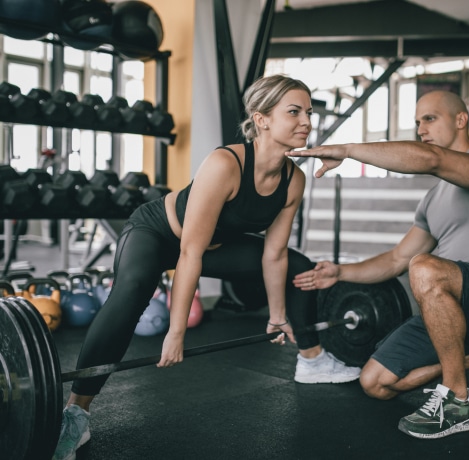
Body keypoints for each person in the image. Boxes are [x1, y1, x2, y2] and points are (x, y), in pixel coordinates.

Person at [52, 75, 361, 460]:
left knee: (299, 266)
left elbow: (275, 254)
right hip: (157, 232)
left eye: (309, 112)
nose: (306, 122)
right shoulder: (225, 163)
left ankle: (312, 360)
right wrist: (176, 331)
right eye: (294, 112)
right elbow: (189, 254)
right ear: (261, 119)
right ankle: (76, 412)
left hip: (213, 245)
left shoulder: (293, 180)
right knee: (131, 292)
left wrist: (277, 316)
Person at [287, 90, 469, 439]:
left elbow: (431, 159)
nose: (421, 129)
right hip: (447, 316)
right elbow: (397, 259)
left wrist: (348, 150)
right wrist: (340, 273)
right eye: (417, 122)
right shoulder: (433, 199)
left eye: (429, 119)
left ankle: (457, 401)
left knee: (425, 267)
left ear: (461, 120)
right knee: (375, 382)